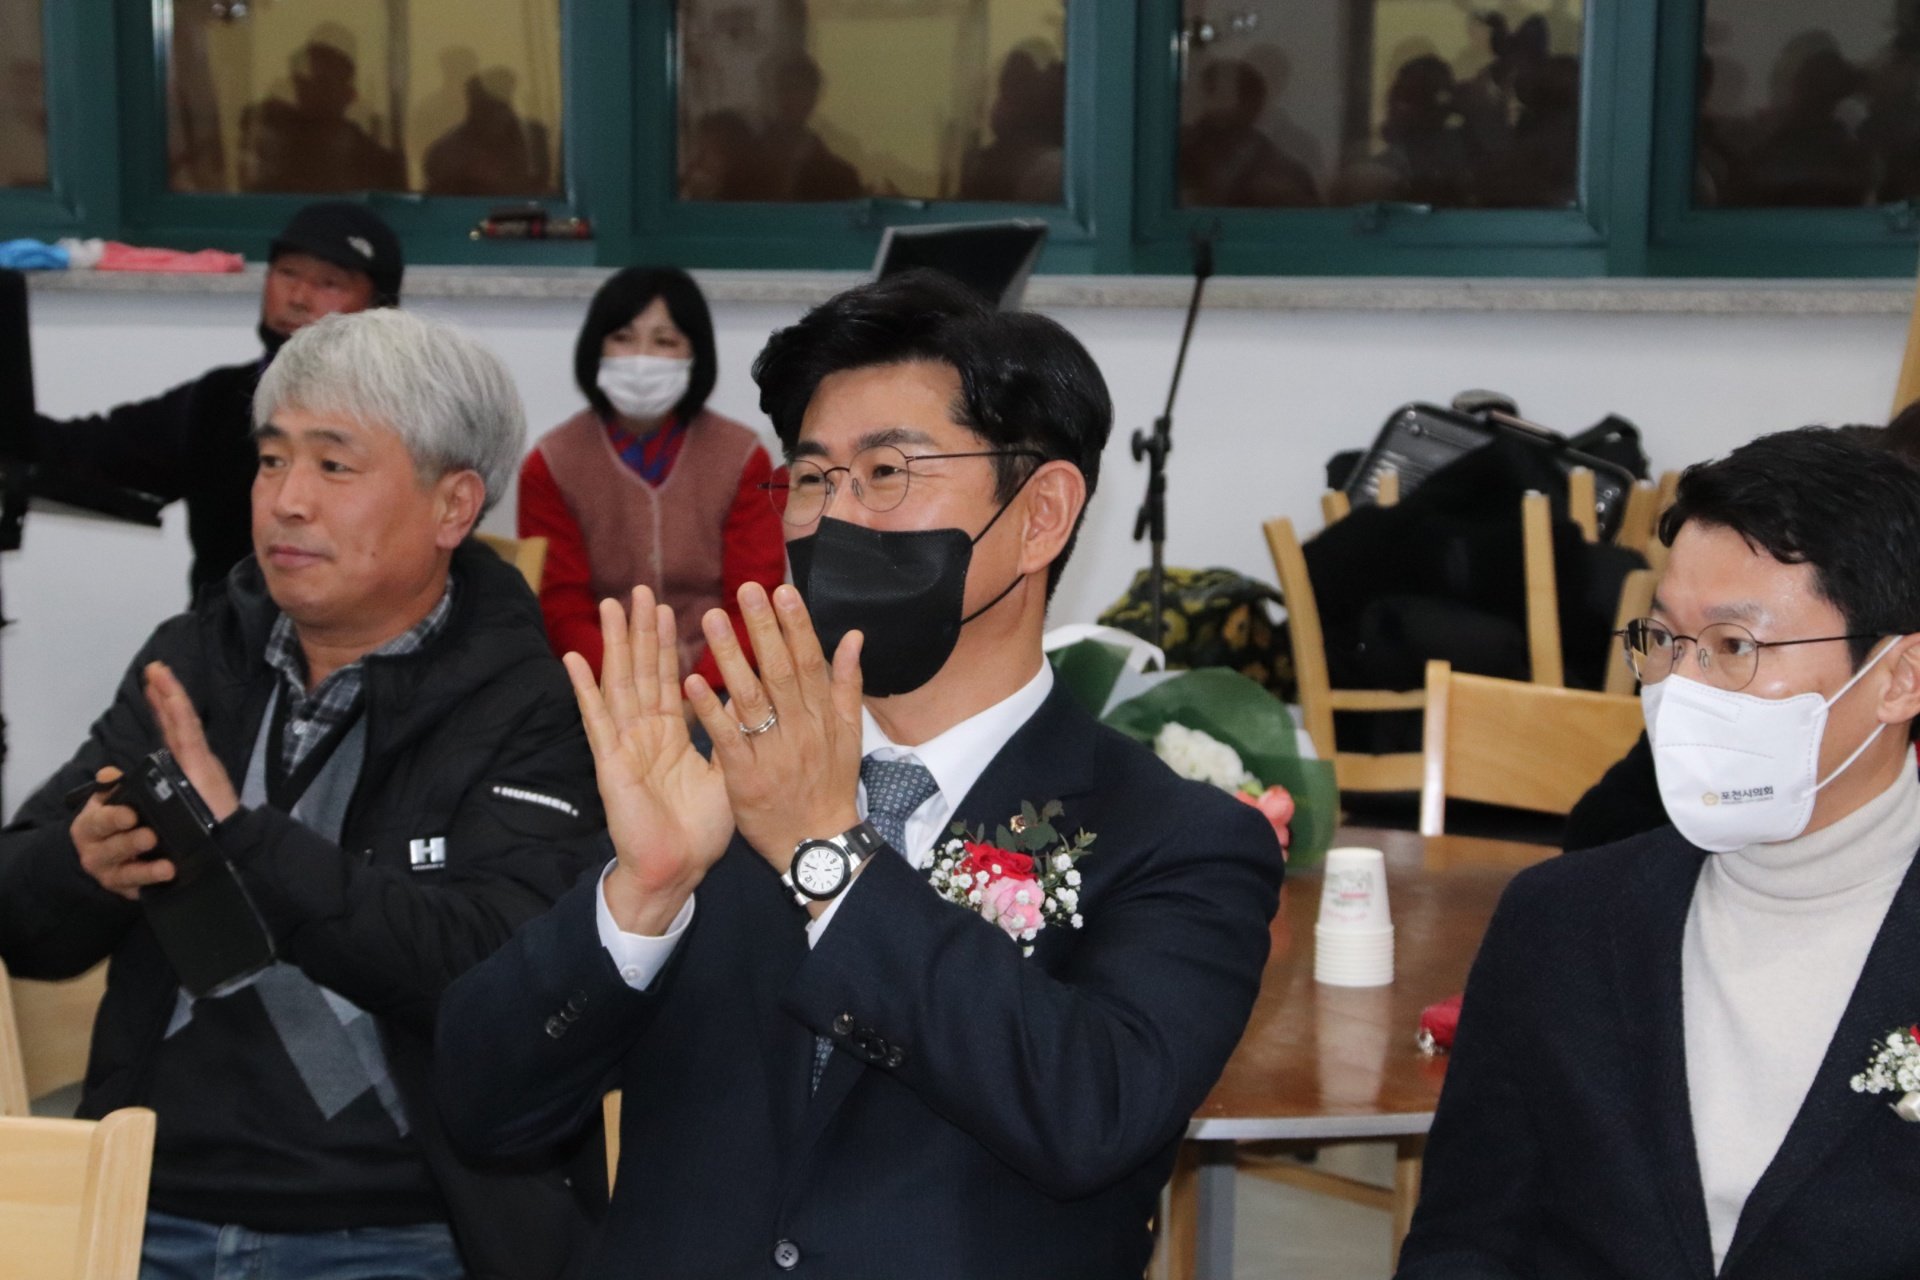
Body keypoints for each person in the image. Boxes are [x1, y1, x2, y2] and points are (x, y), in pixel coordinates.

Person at [435, 271, 1284, 1278]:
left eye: (886, 471)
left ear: (1042, 514)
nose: (832, 518)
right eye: (810, 478)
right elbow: (481, 1106)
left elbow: (1092, 1114)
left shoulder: (1178, 838)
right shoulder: (715, 782)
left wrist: (825, 849)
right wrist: (641, 897)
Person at [0, 309, 606, 1278]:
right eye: (272, 460)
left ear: (453, 506)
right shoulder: (196, 658)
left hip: (397, 1225)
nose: (287, 501)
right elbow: (23, 918)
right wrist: (81, 864)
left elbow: (501, 979)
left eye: (333, 465)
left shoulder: (533, 706)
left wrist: (243, 839)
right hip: (145, 1202)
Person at [1398, 427, 1920, 1279]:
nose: (1681, 687)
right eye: (1666, 639)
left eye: (1734, 647)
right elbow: (1467, 1243)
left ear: (1899, 677)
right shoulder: (1559, 921)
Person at [29, 200, 402, 596]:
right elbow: (87, 453)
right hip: (226, 630)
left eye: (329, 283)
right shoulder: (219, 399)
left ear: (380, 308)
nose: (298, 297)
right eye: (287, 273)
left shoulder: (408, 414)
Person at [517, 267, 785, 690]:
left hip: (723, 682)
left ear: (695, 354)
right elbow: (561, 608)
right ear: (595, 347)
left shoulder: (743, 458)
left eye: (665, 341)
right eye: (622, 338)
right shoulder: (551, 463)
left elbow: (753, 602)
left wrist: (698, 692)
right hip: (601, 684)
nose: (641, 358)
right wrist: (628, 688)